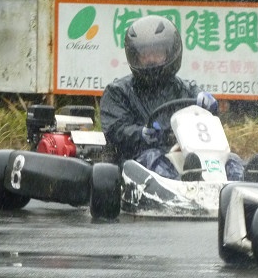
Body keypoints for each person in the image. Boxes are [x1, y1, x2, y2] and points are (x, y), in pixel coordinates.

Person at [100, 14, 247, 181]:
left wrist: (208, 104)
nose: (151, 60)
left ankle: (239, 184)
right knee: (153, 157)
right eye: (145, 55)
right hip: (137, 160)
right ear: (135, 56)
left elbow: (204, 111)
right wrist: (141, 134)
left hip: (186, 155)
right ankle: (180, 185)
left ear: (170, 53)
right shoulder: (118, 92)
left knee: (231, 159)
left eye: (157, 53)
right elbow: (115, 130)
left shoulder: (185, 90)